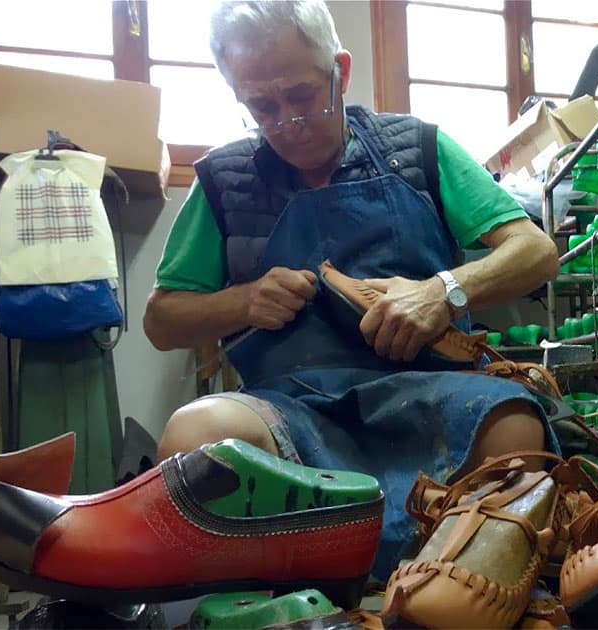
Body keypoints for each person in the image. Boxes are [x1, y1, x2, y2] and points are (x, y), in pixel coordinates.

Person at [143, 0, 560, 581]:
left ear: (340, 70)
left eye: (302, 95)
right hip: (286, 405)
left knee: (514, 429)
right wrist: (242, 301)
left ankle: (444, 587)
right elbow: (161, 321)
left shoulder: (418, 148)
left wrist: (443, 291)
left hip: (426, 389)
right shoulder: (222, 180)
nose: (287, 122)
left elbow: (536, 251)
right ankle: (300, 587)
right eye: (262, 106)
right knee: (195, 438)